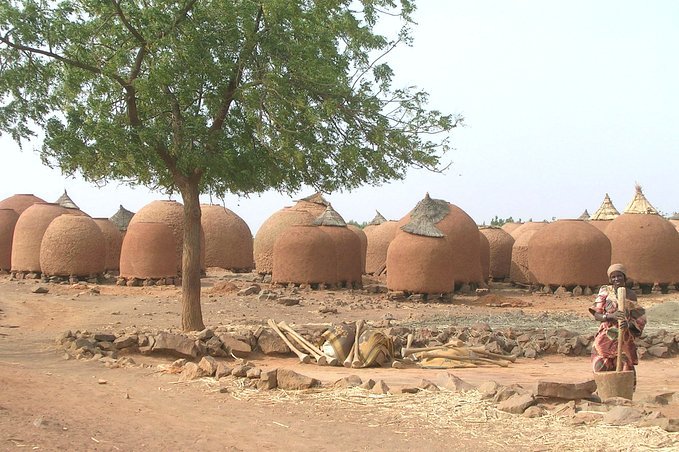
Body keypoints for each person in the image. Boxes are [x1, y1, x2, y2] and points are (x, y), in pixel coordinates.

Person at [589, 263, 647, 378]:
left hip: (623, 336)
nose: (616, 279)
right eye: (613, 277)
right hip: (606, 336)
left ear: (624, 277)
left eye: (619, 276)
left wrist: (629, 325)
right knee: (601, 366)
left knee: (625, 367)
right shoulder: (605, 291)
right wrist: (610, 316)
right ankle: (603, 392)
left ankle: (623, 393)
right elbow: (596, 314)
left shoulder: (630, 294)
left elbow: (639, 317)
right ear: (610, 279)